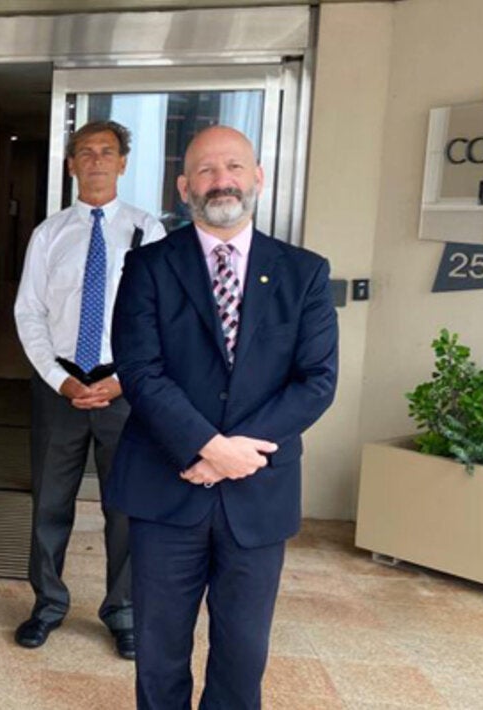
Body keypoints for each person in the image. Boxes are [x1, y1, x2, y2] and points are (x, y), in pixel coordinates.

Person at [109, 126, 338, 708]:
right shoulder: (148, 266)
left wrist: (230, 454)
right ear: (184, 186)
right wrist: (206, 447)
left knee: (243, 653)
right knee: (159, 650)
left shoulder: (304, 272)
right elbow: (140, 370)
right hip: (165, 487)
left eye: (234, 167)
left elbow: (317, 381)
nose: (222, 181)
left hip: (258, 493)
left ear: (257, 177)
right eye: (206, 170)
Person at [12, 120, 166, 659]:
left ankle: (123, 610)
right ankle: (47, 604)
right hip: (61, 385)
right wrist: (60, 380)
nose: (96, 159)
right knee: (50, 502)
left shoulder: (149, 231)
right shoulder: (49, 234)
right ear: (71, 164)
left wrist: (125, 379)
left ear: (123, 163)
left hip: (125, 388)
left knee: (125, 507)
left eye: (106, 151)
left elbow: (162, 319)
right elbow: (29, 312)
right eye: (85, 151)